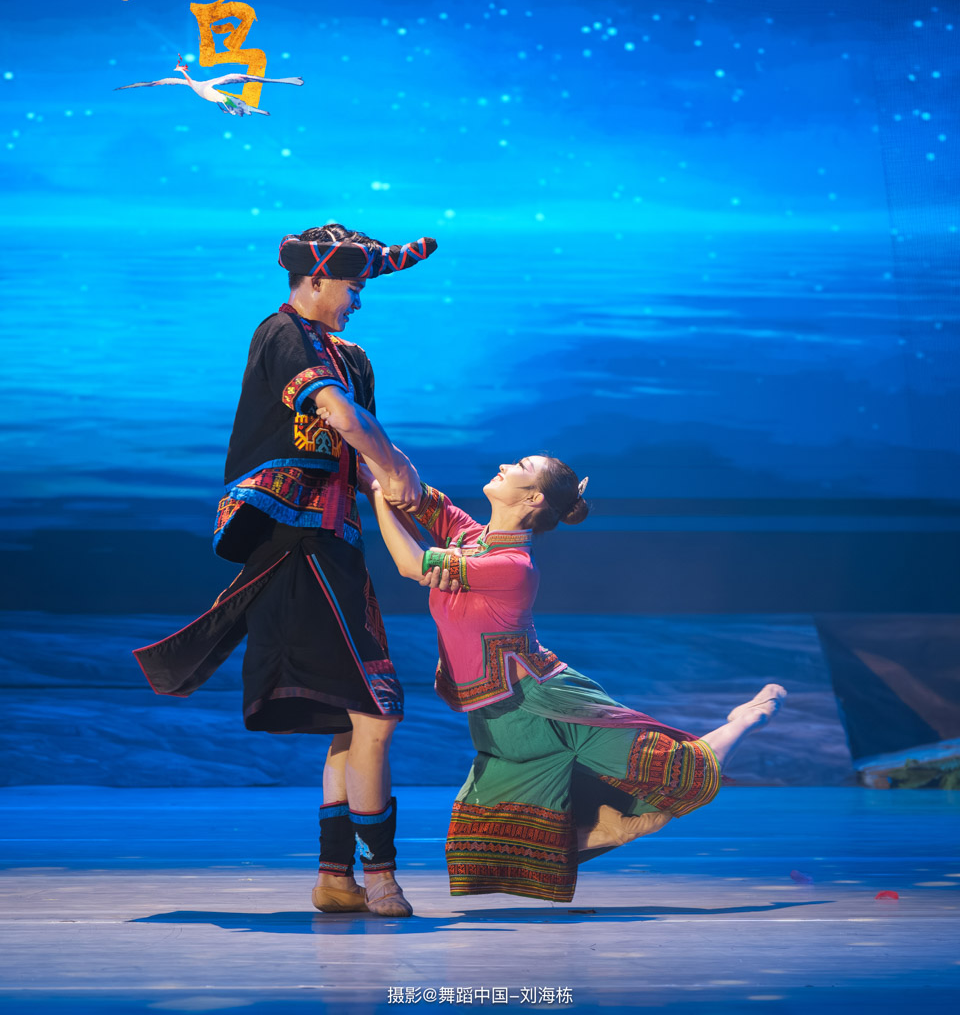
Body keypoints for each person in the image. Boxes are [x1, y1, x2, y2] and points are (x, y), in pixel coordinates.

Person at [134, 223, 438, 918]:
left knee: (350, 717)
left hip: (337, 543)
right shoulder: (282, 334)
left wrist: (416, 504)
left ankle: (336, 877)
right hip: (296, 542)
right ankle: (381, 875)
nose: (358, 300)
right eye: (352, 286)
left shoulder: (352, 358)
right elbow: (339, 418)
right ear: (315, 280)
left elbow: (361, 459)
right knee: (375, 710)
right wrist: (397, 463)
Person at [361, 453, 786, 903]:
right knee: (481, 850)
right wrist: (368, 464)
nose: (505, 465)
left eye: (521, 466)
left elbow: (412, 565)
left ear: (534, 497)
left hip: (549, 706)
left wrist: (377, 495)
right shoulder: (469, 536)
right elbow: (415, 495)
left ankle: (746, 719)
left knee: (678, 769)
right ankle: (603, 827)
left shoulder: (514, 565)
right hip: (496, 717)